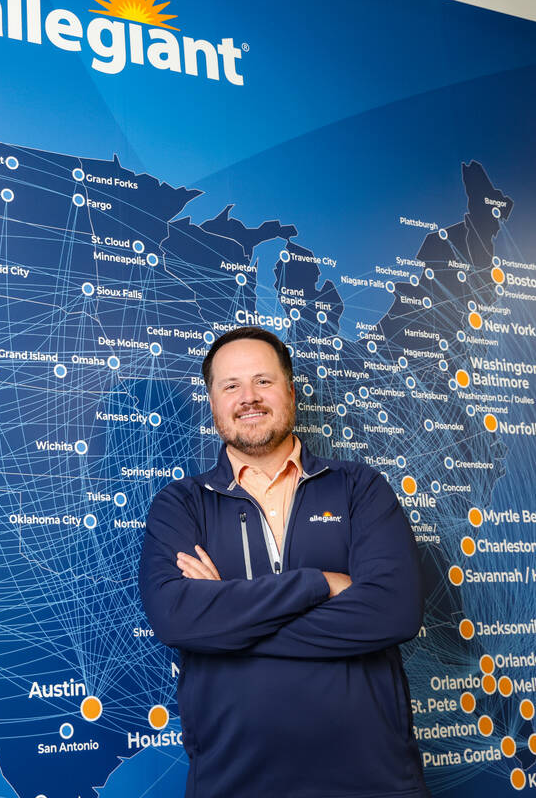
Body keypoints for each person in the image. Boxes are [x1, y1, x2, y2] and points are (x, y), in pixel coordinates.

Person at [139, 326, 430, 798]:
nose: (248, 397)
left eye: (263, 381)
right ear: (212, 401)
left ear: (290, 391)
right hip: (233, 782)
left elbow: (393, 611)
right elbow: (177, 619)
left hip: (373, 780)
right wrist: (317, 584)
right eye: (230, 386)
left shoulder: (360, 488)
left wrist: (226, 620)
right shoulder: (181, 504)